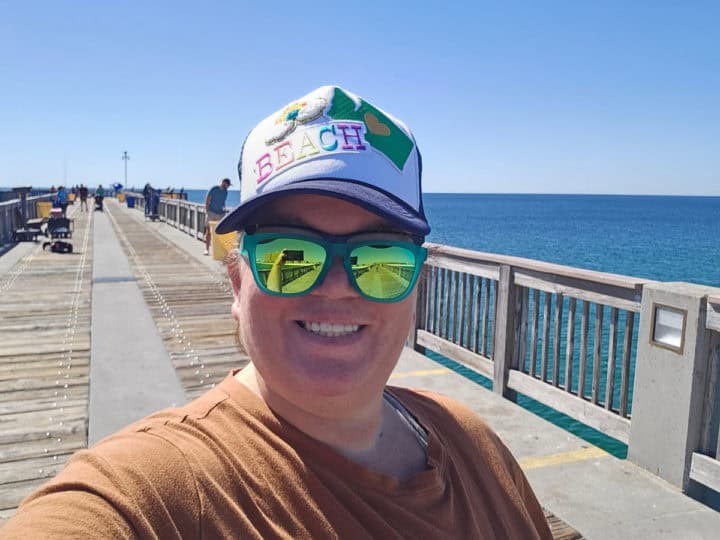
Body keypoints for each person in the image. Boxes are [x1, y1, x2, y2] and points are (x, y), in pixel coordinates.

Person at [1, 86, 552, 538]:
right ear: (238, 282)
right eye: (292, 256)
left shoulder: (471, 442)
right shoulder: (160, 490)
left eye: (379, 259)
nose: (337, 287)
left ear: (415, 287)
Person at [203, 177, 231, 255]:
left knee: (220, 232)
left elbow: (223, 202)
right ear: (223, 182)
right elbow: (207, 200)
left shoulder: (226, 192)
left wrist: (224, 210)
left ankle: (219, 250)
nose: (227, 186)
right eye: (227, 184)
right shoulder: (214, 189)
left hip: (221, 214)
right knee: (208, 231)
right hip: (211, 213)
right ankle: (206, 249)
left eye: (228, 185)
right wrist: (207, 211)